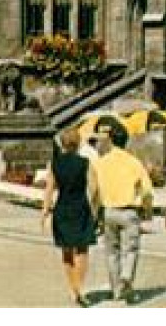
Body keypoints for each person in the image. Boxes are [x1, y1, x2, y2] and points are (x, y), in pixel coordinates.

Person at [92, 122, 153, 304]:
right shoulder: (134, 162)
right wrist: (147, 210)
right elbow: (147, 191)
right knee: (131, 249)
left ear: (111, 140)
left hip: (108, 211)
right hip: (129, 211)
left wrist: (95, 215)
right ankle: (127, 276)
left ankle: (116, 290)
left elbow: (94, 191)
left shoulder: (100, 163)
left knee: (111, 252)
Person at [41, 127, 98, 307]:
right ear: (79, 143)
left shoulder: (54, 164)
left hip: (62, 209)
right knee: (82, 250)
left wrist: (45, 211)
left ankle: (73, 288)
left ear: (62, 144)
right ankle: (80, 287)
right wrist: (95, 208)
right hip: (80, 207)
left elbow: (49, 189)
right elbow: (94, 187)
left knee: (67, 250)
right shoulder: (85, 162)